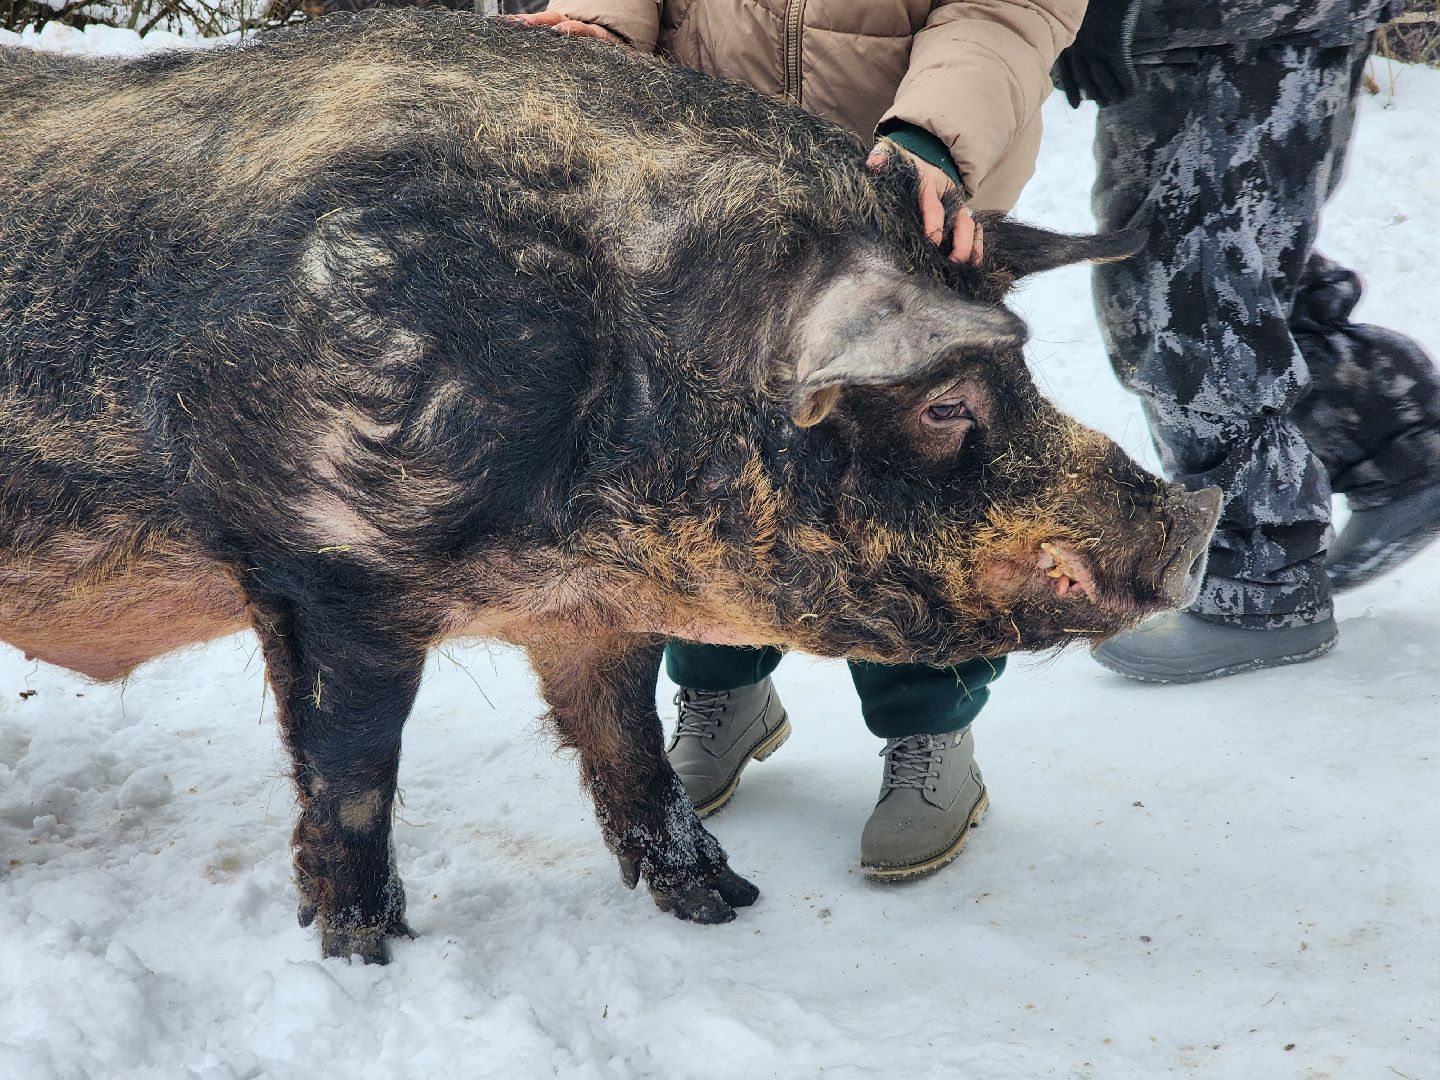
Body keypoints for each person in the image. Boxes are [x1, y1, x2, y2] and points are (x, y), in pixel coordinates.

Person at [508, 0, 1086, 878]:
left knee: (923, 485)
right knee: (705, 477)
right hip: (716, 206)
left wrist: (934, 134)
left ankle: (932, 734)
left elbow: (1008, 10)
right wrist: (605, 23)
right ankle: (723, 690)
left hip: (907, 202)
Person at [1053, 0, 1440, 683]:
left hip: (1217, 29)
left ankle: (1261, 584)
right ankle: (1396, 449)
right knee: (1243, 271)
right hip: (1246, 26)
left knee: (1183, 301)